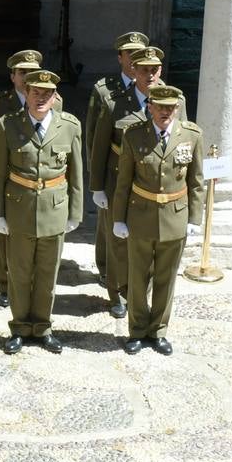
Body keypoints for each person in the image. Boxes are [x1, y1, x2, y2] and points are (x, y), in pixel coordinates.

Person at [0, 69, 83, 354]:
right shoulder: (9, 124)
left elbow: (76, 173)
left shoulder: (69, 126)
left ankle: (42, 327)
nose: (41, 98)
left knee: (46, 275)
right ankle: (19, 327)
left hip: (54, 209)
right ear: (26, 94)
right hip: (19, 208)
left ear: (55, 98)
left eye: (47, 94)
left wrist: (75, 213)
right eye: (35, 92)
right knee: (19, 273)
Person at [89, 45, 186, 320]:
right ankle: (118, 294)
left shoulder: (175, 100)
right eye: (144, 70)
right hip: (117, 179)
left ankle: (144, 294)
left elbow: (183, 142)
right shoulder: (115, 102)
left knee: (153, 241)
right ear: (135, 70)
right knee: (119, 241)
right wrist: (97, 186)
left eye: (155, 70)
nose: (150, 75)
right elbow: (99, 146)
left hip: (154, 183)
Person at [111, 84, 204, 356]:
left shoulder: (192, 135)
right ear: (149, 107)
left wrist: (194, 218)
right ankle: (137, 331)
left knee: (166, 279)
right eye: (160, 107)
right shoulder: (133, 135)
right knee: (137, 278)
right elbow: (123, 181)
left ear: (177, 109)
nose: (165, 112)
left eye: (171, 107)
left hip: (175, 217)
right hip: (141, 215)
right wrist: (119, 218)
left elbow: (196, 181)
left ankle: (159, 331)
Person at [0, 49, 51, 308]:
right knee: (6, 236)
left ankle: (31, 284)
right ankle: (5, 284)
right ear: (12, 77)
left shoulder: (54, 101)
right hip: (10, 181)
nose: (27, 78)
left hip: (38, 182)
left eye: (32, 73)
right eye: (22, 73)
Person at [86, 31, 149, 288]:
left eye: (140, 55)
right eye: (130, 54)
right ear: (120, 57)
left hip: (146, 170)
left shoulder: (160, 88)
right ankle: (106, 268)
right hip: (115, 166)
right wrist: (96, 178)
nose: (135, 60)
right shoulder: (104, 90)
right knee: (109, 221)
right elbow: (93, 137)